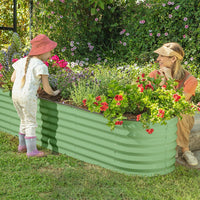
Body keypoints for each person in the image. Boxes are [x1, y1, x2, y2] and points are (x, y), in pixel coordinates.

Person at [149, 42, 198, 166]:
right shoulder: (154, 75)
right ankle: (172, 147)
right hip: (160, 113)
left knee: (180, 112)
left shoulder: (190, 80)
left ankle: (185, 150)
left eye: (161, 56)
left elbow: (178, 103)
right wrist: (159, 85)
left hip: (183, 116)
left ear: (173, 59)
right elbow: (147, 99)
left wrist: (170, 80)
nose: (157, 59)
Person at [11, 34, 60, 157]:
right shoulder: (41, 66)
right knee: (31, 122)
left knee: (23, 120)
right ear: (42, 51)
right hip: (27, 97)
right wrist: (55, 93)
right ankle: (32, 151)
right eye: (49, 52)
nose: (50, 55)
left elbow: (12, 79)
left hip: (15, 95)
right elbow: (47, 89)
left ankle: (22, 145)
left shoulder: (21, 61)